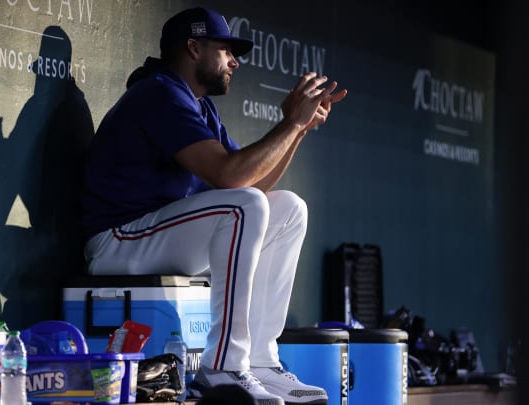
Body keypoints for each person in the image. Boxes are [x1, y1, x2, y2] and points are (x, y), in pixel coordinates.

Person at [81, 7, 347, 405]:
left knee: (289, 209)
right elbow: (228, 178)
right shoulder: (158, 93)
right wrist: (289, 124)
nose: (234, 61)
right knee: (243, 207)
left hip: (154, 236)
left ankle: (258, 360)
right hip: (117, 240)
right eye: (225, 50)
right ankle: (223, 366)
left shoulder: (199, 105)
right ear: (193, 47)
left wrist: (299, 130)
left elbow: (251, 182)